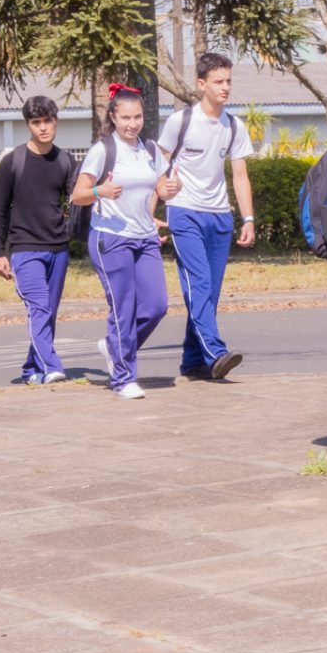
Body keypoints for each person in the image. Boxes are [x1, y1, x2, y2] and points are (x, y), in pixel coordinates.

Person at [156, 53, 257, 382]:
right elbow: (159, 165)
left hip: (219, 217)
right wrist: (161, 189)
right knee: (198, 283)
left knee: (209, 292)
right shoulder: (180, 122)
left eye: (228, 81)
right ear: (202, 84)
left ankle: (192, 362)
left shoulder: (233, 125)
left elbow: (239, 175)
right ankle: (215, 352)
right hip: (184, 212)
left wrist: (248, 218)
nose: (225, 87)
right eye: (218, 81)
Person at [71, 85, 169, 400]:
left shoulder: (150, 149)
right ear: (113, 117)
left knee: (156, 306)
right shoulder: (104, 150)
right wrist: (101, 191)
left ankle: (114, 347)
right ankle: (123, 377)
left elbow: (161, 186)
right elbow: (78, 195)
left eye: (137, 116)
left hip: (144, 238)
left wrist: (168, 189)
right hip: (110, 239)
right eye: (125, 117)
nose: (132, 123)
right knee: (123, 308)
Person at [0, 97, 79, 387]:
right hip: (25, 249)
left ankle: (31, 368)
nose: (43, 128)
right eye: (36, 122)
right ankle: (52, 366)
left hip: (58, 249)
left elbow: (79, 200)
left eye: (47, 121)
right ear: (28, 124)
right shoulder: (12, 161)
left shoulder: (65, 160)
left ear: (56, 120)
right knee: (39, 308)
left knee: (48, 314)